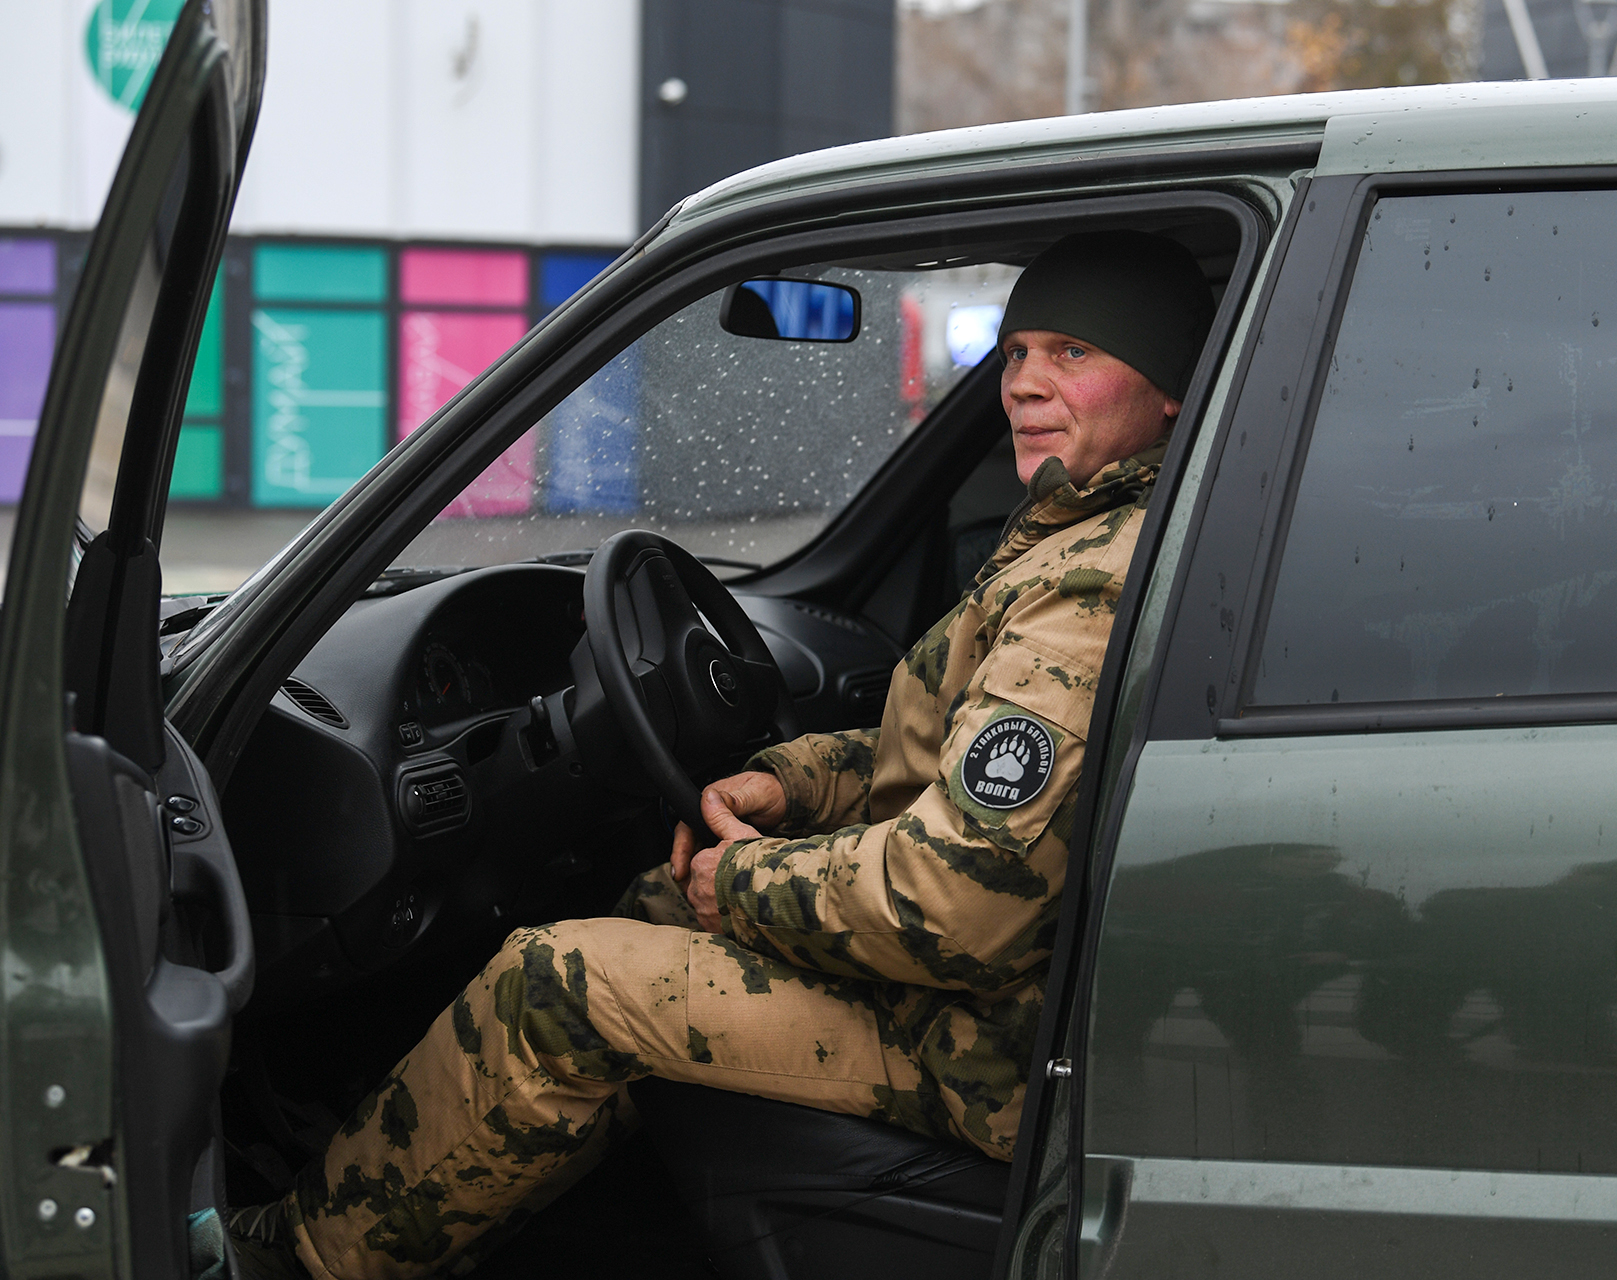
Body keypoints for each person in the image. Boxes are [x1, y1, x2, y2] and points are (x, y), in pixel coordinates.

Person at [230, 229, 1216, 1280]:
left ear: (1165, 391)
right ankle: (466, 1182)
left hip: (976, 1048)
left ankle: (301, 1257)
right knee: (652, 895)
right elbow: (936, 752)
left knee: (557, 978)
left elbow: (956, 901)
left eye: (1072, 352)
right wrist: (793, 781)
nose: (1022, 381)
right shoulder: (1074, 534)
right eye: (1016, 352)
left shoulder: (1087, 584)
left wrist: (739, 880)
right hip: (981, 1005)